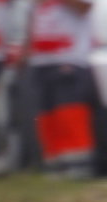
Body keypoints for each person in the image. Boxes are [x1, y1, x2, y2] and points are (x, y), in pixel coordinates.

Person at [24, 0, 104, 177]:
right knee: (46, 116)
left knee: (69, 113)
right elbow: (31, 20)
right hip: (41, 60)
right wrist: (25, 52)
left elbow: (85, 7)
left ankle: (78, 165)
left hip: (69, 58)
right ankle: (55, 166)